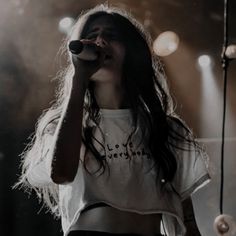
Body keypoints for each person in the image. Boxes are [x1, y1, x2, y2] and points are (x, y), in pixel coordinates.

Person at [15, 4, 210, 236]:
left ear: (131, 50)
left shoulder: (163, 127)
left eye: (110, 35)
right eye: (91, 35)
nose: (99, 41)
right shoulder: (64, 124)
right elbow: (62, 174)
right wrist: (80, 80)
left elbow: (187, 217)